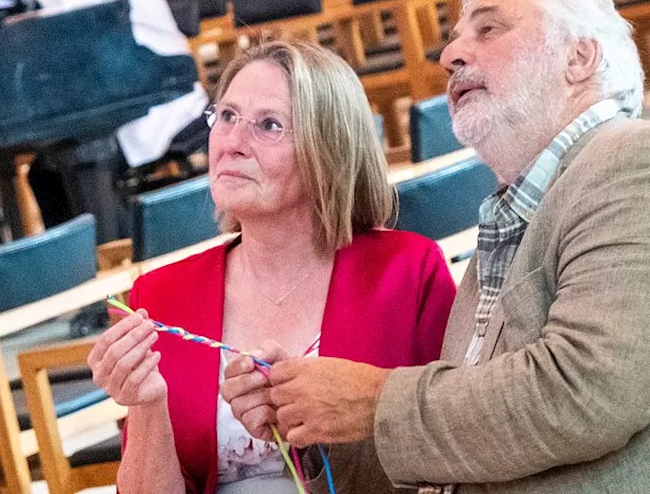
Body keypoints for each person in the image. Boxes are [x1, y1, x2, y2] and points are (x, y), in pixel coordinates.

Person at [224, 0, 650, 492]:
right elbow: (474, 443)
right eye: (455, 37)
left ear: (579, 58)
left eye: (489, 29)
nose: (451, 53)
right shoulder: (513, 219)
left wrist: (373, 402)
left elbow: (583, 396)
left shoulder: (646, 165)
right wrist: (315, 426)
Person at [88, 41, 457, 494]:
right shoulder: (159, 295)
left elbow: (451, 441)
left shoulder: (406, 272)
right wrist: (146, 406)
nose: (232, 144)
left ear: (329, 149)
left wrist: (313, 425)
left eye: (268, 125)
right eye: (226, 116)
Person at [28, 0, 211, 241]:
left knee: (81, 160)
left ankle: (116, 254)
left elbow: (63, 17)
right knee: (44, 171)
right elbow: (47, 22)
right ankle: (78, 261)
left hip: (159, 103)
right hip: (121, 100)